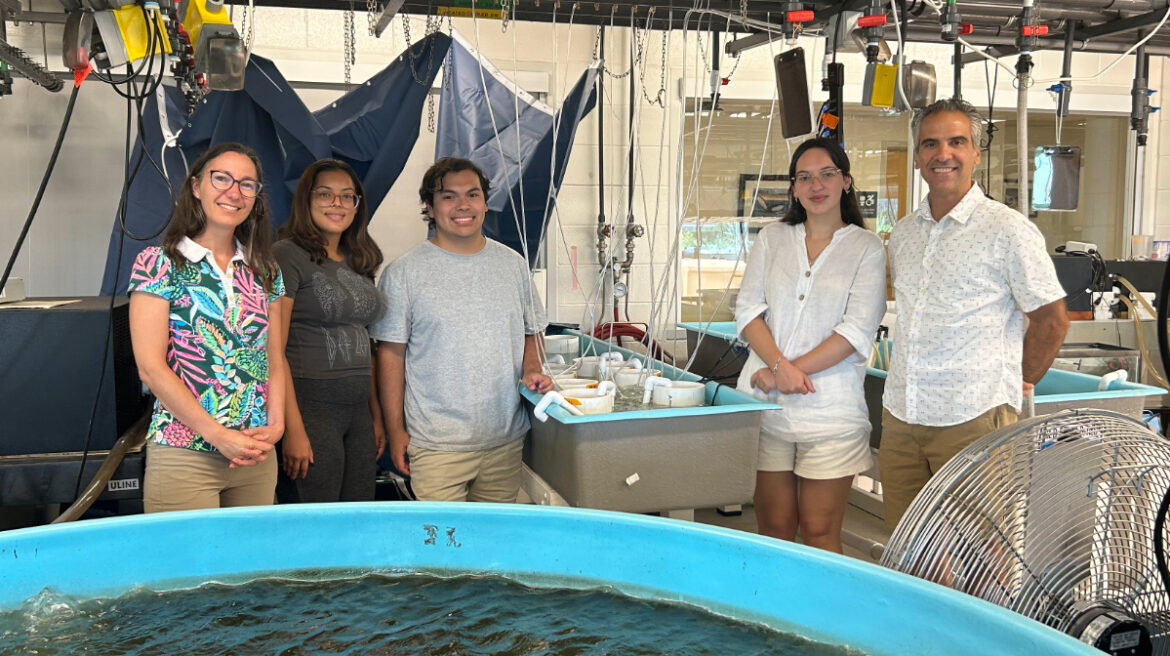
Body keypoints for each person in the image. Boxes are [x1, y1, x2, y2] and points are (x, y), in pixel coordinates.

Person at [880, 98, 1070, 530]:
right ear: (917, 157)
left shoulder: (1007, 230)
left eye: (956, 141)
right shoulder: (905, 233)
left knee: (988, 554)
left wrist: (1018, 381)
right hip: (903, 416)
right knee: (908, 550)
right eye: (930, 144)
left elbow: (1052, 319)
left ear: (975, 154)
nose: (942, 154)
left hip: (975, 416)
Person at [735, 138, 887, 553]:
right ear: (794, 188)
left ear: (846, 181)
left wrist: (785, 371)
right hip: (766, 406)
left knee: (819, 534)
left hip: (830, 414)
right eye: (804, 177)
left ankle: (823, 618)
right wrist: (780, 367)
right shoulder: (773, 238)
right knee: (775, 530)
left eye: (826, 174)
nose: (815, 184)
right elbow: (748, 309)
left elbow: (856, 330)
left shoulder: (866, 248)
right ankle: (772, 616)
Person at [371, 156, 553, 503]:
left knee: (493, 546)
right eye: (448, 196)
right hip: (436, 444)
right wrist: (396, 430)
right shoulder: (404, 273)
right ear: (430, 206)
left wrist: (532, 368)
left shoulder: (513, 265)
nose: (462, 205)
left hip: (505, 439)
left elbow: (533, 330)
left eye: (472, 194)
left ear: (485, 203)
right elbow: (390, 356)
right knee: (441, 548)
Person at [128, 142, 287, 512]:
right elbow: (150, 367)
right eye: (222, 179)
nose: (234, 192)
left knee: (252, 569)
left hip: (255, 452)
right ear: (197, 186)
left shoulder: (265, 269)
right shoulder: (160, 264)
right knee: (187, 569)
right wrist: (218, 435)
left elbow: (274, 358)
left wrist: (276, 426)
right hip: (186, 450)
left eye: (247, 184)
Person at [271, 159, 385, 503]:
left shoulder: (359, 258)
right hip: (310, 407)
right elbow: (273, 349)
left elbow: (367, 343)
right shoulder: (286, 254)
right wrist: (292, 430)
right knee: (314, 524)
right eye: (325, 194)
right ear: (306, 200)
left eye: (347, 196)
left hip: (357, 412)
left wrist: (374, 416)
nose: (337, 203)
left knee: (359, 515)